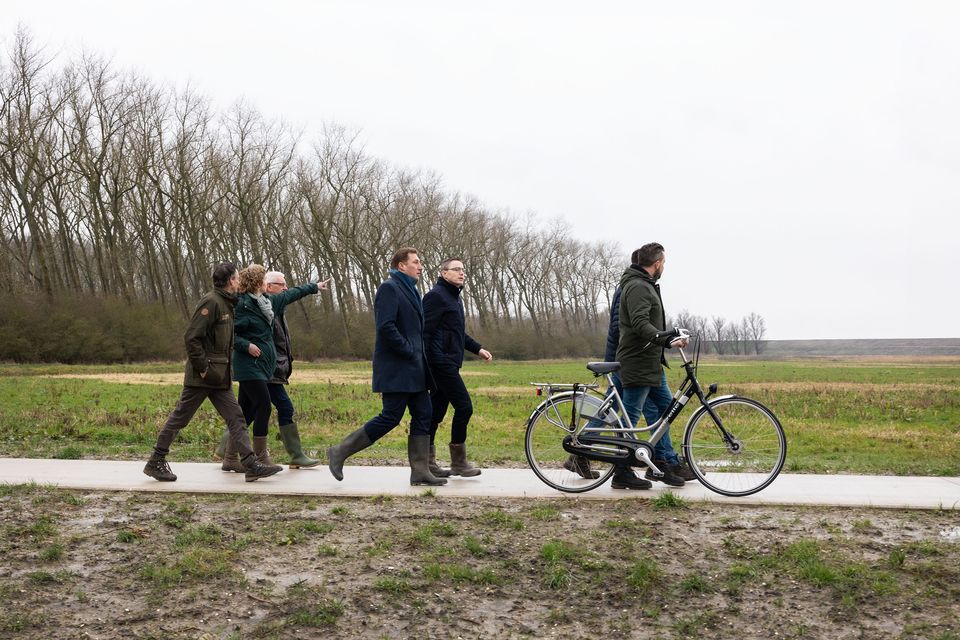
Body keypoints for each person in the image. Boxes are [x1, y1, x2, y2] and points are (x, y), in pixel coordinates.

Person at [143, 262, 282, 483]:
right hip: (203, 377)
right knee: (180, 418)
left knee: (236, 418)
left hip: (220, 377)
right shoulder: (211, 302)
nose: (239, 281)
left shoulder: (228, 303)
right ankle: (155, 461)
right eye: (237, 278)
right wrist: (204, 369)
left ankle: (250, 463)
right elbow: (192, 337)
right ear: (230, 281)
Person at [327, 247, 445, 486]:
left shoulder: (412, 290)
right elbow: (386, 326)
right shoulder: (389, 288)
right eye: (416, 262)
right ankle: (339, 451)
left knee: (424, 413)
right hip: (397, 367)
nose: (421, 266)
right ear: (401, 265)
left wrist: (419, 355)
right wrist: (408, 350)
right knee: (391, 416)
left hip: (416, 368)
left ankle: (420, 470)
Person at [221, 264, 324, 472]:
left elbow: (292, 294)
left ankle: (229, 456)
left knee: (245, 413)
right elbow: (231, 333)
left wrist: (314, 287)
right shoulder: (242, 305)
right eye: (279, 284)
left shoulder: (267, 303)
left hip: (264, 366)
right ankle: (260, 457)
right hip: (250, 365)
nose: (285, 288)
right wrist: (247, 346)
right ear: (260, 283)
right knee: (264, 407)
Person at [616, 243, 696, 487]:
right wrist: (667, 339)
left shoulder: (644, 285)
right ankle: (621, 472)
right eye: (664, 263)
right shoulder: (638, 287)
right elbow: (640, 323)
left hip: (650, 363)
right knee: (630, 418)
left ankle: (663, 464)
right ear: (658, 263)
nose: (664, 267)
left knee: (665, 413)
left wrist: (665, 339)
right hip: (638, 363)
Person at [422, 258, 492, 478]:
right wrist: (426, 363)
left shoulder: (454, 298)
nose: (462, 273)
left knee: (436, 413)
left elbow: (456, 334)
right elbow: (425, 332)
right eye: (456, 269)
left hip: (450, 362)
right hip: (440, 363)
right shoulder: (435, 296)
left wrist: (478, 349)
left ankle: (428, 463)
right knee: (464, 407)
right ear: (443, 273)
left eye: (463, 269)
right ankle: (459, 463)